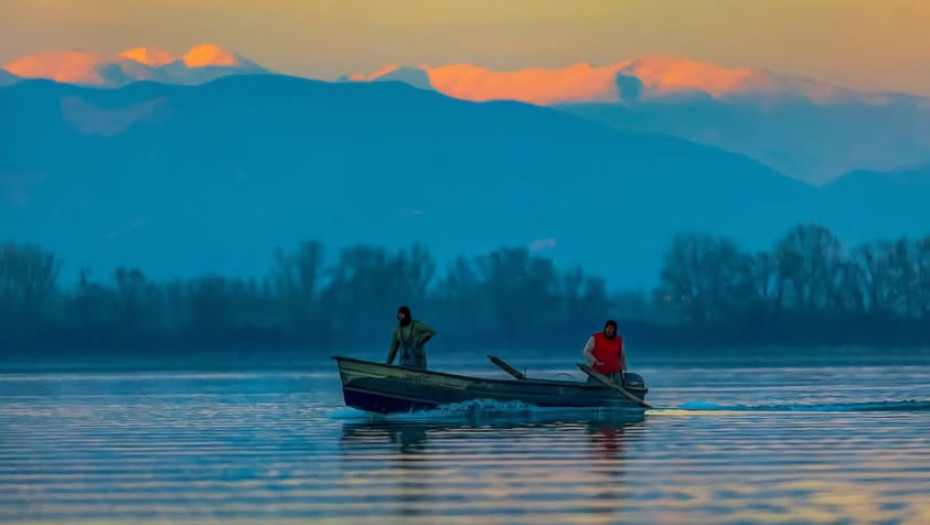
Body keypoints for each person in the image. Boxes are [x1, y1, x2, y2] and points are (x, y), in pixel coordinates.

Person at [386, 306, 436, 370]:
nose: (400, 316)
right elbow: (393, 350)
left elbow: (431, 331)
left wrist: (421, 339)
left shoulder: (416, 326)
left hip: (419, 362)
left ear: (407, 315)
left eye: (402, 314)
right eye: (399, 314)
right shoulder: (397, 331)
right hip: (405, 362)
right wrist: (387, 365)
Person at [582, 320, 626, 386]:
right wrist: (595, 361)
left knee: (617, 390)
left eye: (612, 329)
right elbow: (586, 352)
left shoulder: (619, 340)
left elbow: (622, 357)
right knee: (592, 389)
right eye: (609, 328)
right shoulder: (595, 338)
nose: (610, 331)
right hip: (598, 372)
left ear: (615, 330)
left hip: (615, 373)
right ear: (605, 328)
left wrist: (623, 371)